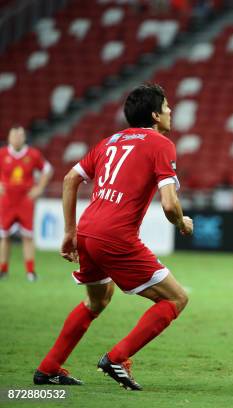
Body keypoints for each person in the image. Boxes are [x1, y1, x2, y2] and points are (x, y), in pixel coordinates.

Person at [33, 84, 193, 390]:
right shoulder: (160, 144)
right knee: (176, 298)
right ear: (155, 115)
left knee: (98, 300)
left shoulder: (110, 141)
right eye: (168, 106)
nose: (171, 111)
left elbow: (70, 179)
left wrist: (70, 232)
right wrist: (183, 225)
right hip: (114, 235)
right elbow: (171, 204)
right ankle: (117, 357)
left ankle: (49, 367)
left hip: (88, 230)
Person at [0, 126, 53, 281]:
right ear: (9, 138)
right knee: (4, 236)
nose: (17, 138)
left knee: (27, 237)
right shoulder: (2, 154)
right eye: (14, 136)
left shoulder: (32, 154)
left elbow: (48, 169)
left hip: (25, 201)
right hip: (7, 200)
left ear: (24, 138)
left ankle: (30, 272)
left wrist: (40, 188)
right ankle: (3, 270)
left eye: (20, 135)